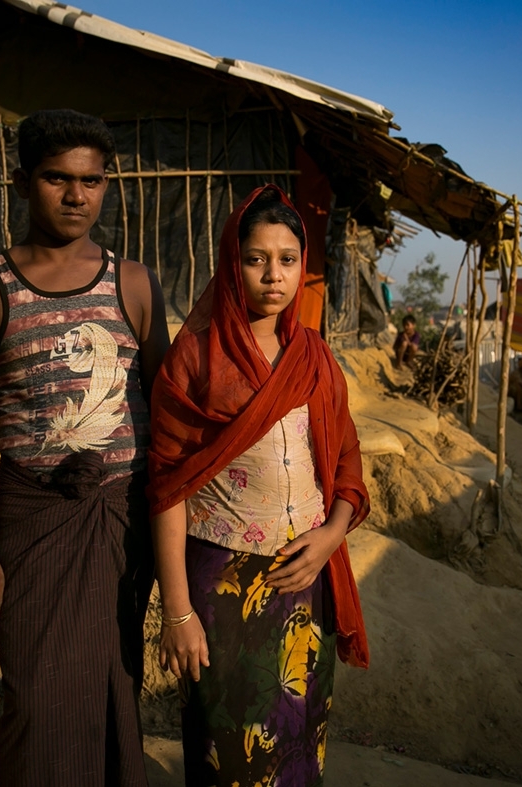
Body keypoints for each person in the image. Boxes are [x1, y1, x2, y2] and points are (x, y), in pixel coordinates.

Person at [0, 108, 169, 786]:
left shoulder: (132, 284)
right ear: (21, 182)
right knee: (38, 692)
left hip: (120, 518)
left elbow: (167, 413)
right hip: (35, 518)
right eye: (57, 178)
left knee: (112, 676)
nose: (77, 196)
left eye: (92, 180)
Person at [147, 185, 370, 787]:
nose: (274, 275)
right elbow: (167, 488)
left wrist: (330, 536)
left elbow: (347, 462)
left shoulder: (316, 358)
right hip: (224, 588)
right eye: (256, 258)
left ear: (304, 267)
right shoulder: (194, 360)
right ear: (231, 262)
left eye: (288, 259)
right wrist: (177, 611)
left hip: (306, 583)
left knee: (299, 738)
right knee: (233, 748)